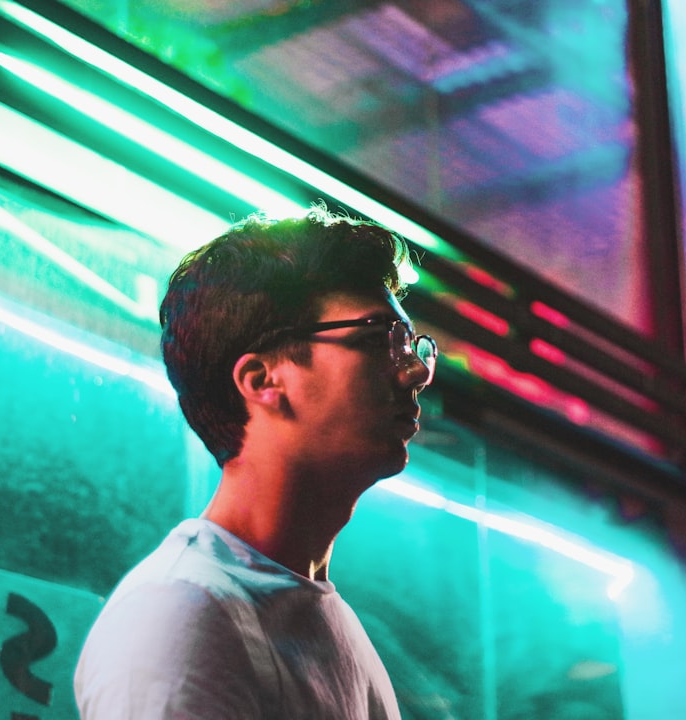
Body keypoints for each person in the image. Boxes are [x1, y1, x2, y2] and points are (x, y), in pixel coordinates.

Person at [74, 209, 437, 719]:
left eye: (411, 344)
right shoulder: (180, 614)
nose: (416, 370)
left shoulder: (324, 619)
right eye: (378, 340)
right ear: (263, 380)